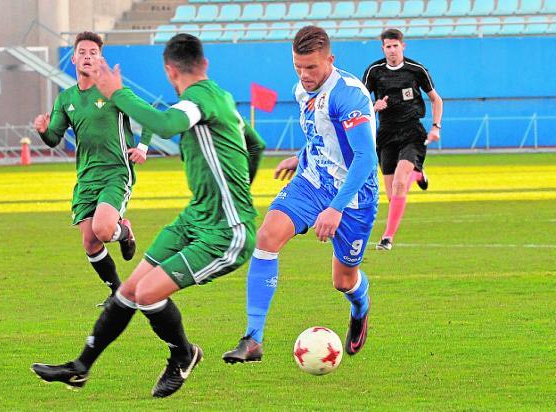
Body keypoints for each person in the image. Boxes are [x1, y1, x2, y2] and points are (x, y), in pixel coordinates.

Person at [31, 33, 265, 398]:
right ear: (204, 63)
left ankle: (184, 355)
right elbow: (255, 143)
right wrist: (240, 193)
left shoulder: (197, 101)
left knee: (147, 293)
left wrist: (116, 93)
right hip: (195, 218)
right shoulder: (221, 98)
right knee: (128, 290)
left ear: (169, 71)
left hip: (224, 231)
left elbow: (168, 124)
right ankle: (80, 368)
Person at [222, 26, 378, 364]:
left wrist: (336, 209)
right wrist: (302, 155)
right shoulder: (301, 90)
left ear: (330, 60)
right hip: (312, 182)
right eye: (298, 67)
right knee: (266, 236)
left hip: (352, 198)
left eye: (312, 67)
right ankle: (253, 339)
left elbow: (366, 158)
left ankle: (361, 306)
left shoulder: (348, 96)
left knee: (343, 280)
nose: (305, 75)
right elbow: (321, 134)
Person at [34, 31, 150, 306]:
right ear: (73, 58)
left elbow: (148, 115)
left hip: (115, 172)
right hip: (87, 177)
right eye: (82, 52)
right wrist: (42, 131)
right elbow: (53, 139)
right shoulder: (66, 99)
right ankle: (117, 291)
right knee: (90, 242)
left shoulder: (113, 91)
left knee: (102, 229)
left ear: (101, 59)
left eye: (93, 53)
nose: (87, 57)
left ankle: (125, 231)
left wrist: (143, 148)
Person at [362, 28, 443, 251]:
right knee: (392, 195)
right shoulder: (373, 71)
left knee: (399, 183)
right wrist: (373, 107)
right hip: (386, 134)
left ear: (403, 46)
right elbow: (360, 103)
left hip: (412, 132)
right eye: (388, 46)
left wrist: (436, 127)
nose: (392, 50)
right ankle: (417, 172)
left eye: (396, 46)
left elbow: (436, 100)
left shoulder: (416, 70)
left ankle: (387, 238)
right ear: (383, 48)